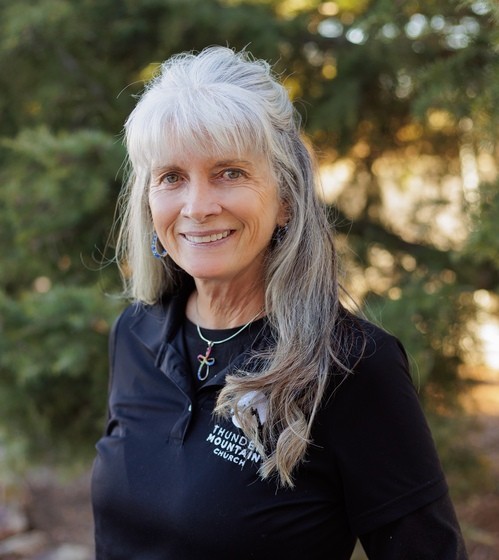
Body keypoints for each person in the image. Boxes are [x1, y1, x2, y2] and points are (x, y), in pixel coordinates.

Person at [91, 46, 468, 559]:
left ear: (286, 199)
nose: (197, 207)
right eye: (172, 177)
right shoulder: (135, 334)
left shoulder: (349, 366)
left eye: (229, 172)